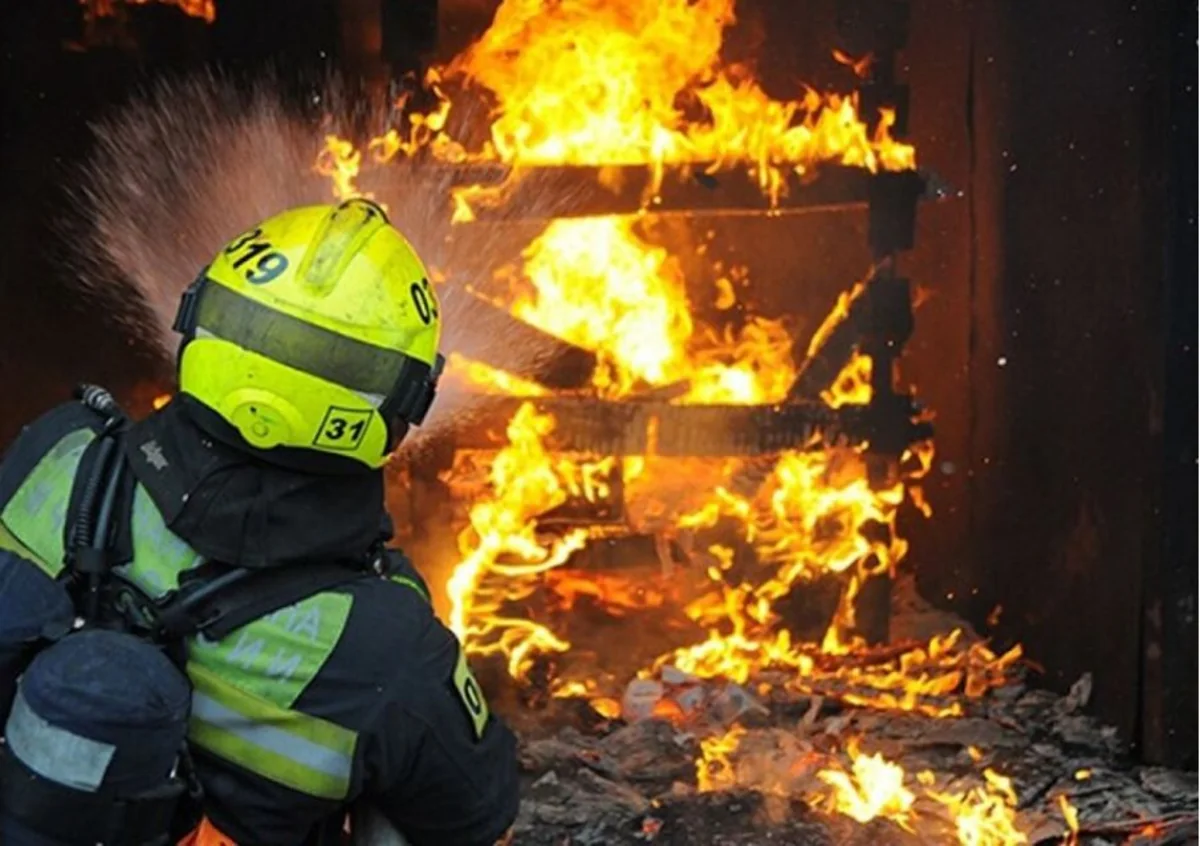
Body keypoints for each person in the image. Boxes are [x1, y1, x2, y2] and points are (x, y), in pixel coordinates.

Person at [0, 198, 520, 846]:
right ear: (401, 403)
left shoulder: (59, 450)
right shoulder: (386, 644)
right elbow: (475, 818)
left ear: (198, 323)